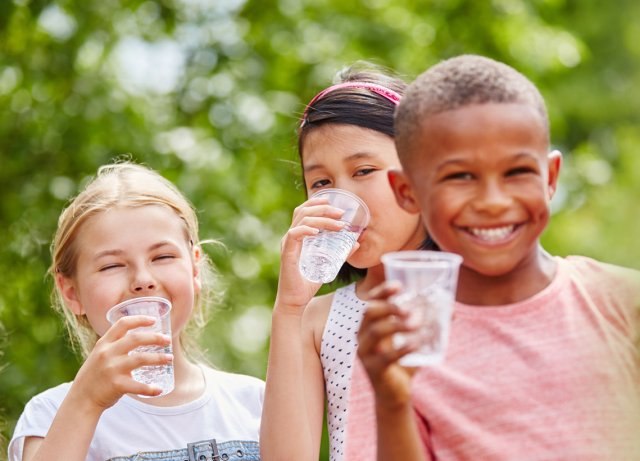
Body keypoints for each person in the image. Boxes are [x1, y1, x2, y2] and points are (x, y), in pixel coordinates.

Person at [347, 54, 640, 460]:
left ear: (550, 177)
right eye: (460, 176)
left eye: (517, 172)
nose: (493, 202)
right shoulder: (400, 345)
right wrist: (393, 403)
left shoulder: (623, 304)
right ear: (407, 191)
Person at [8, 162, 264, 461]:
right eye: (112, 265)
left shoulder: (255, 402)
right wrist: (86, 401)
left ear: (195, 267)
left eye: (163, 256)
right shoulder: (49, 416)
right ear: (71, 292)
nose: (143, 280)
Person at [260, 63, 431, 461]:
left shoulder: (477, 291)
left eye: (364, 170)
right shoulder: (317, 320)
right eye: (322, 183)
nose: (343, 199)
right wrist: (289, 308)